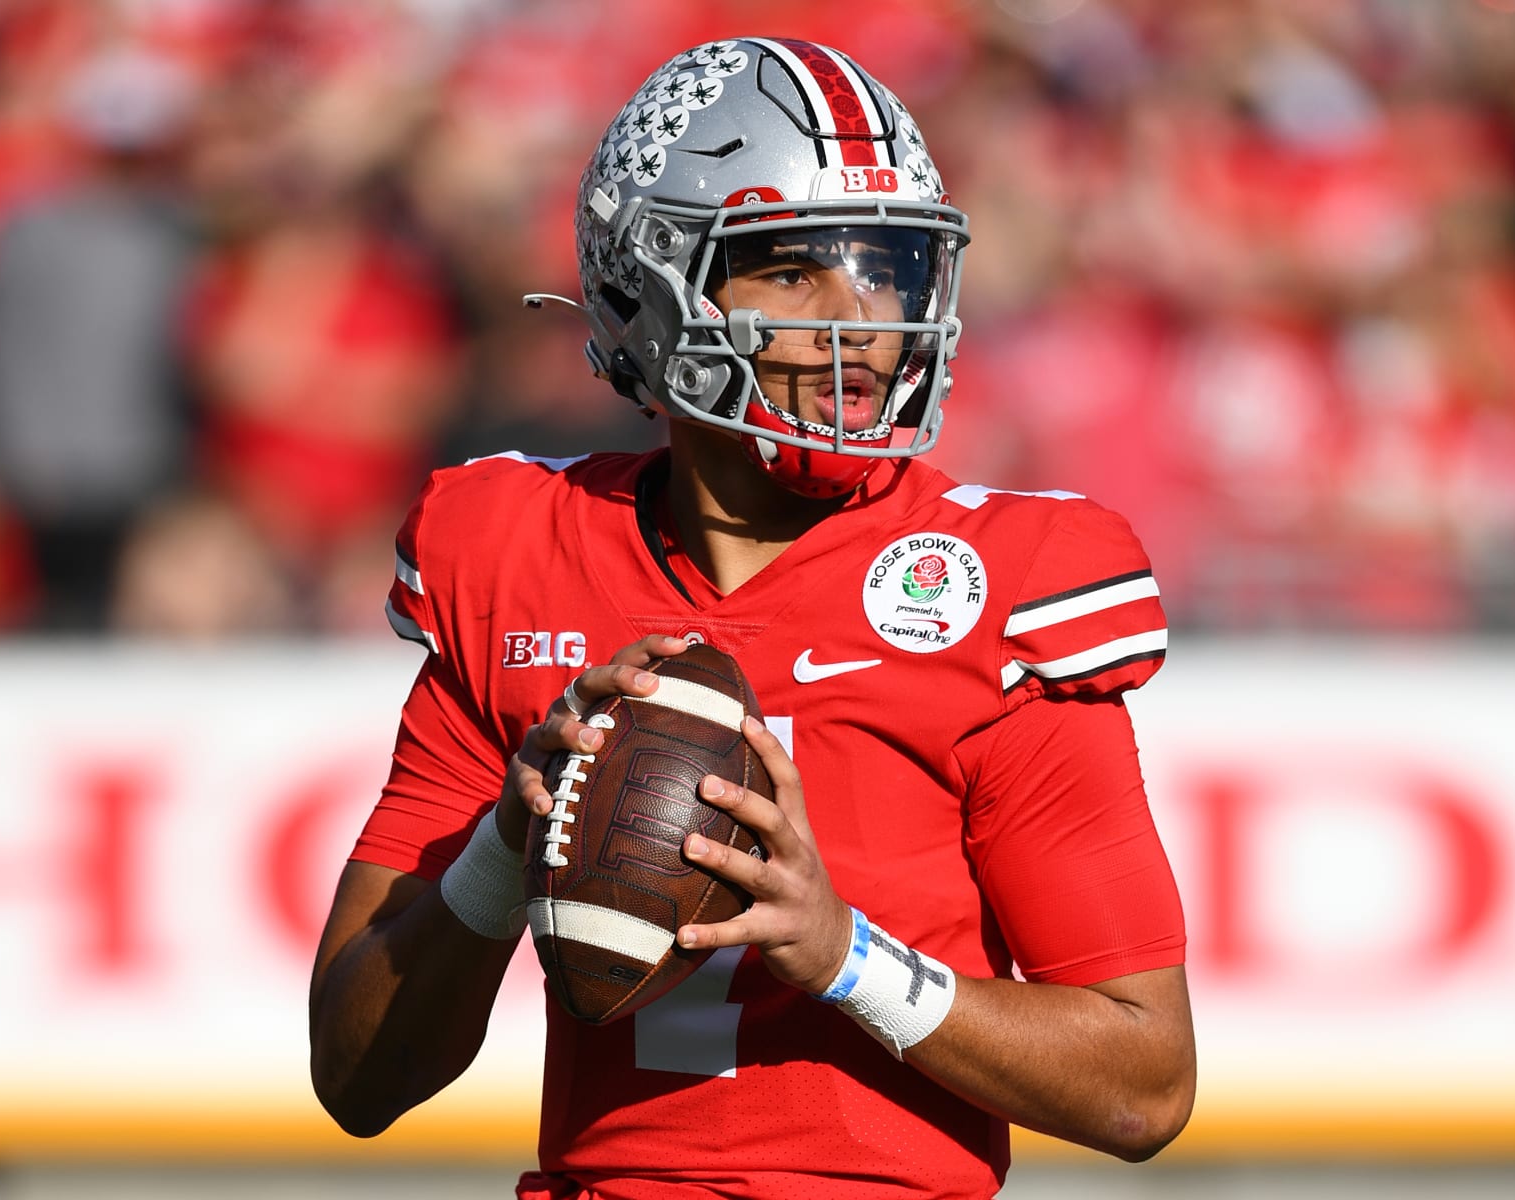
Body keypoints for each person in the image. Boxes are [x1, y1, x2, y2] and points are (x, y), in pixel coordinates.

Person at [310, 37, 1195, 1199]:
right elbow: (356, 1074)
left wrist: (843, 956)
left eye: (887, 269)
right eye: (792, 272)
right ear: (651, 288)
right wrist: (502, 847)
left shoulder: (998, 584)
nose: (865, 322)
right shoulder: (512, 551)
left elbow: (1144, 1085)